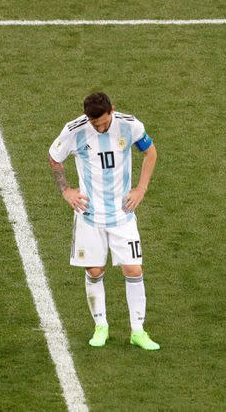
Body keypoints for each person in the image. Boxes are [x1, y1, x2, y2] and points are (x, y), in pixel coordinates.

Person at [48, 92, 160, 350]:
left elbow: (151, 153)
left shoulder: (130, 126)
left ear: (112, 110)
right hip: (90, 216)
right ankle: (101, 326)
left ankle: (138, 331)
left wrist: (141, 190)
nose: (99, 128)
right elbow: (54, 157)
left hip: (122, 214)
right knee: (95, 270)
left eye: (103, 123)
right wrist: (67, 191)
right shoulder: (74, 130)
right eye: (94, 124)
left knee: (133, 269)